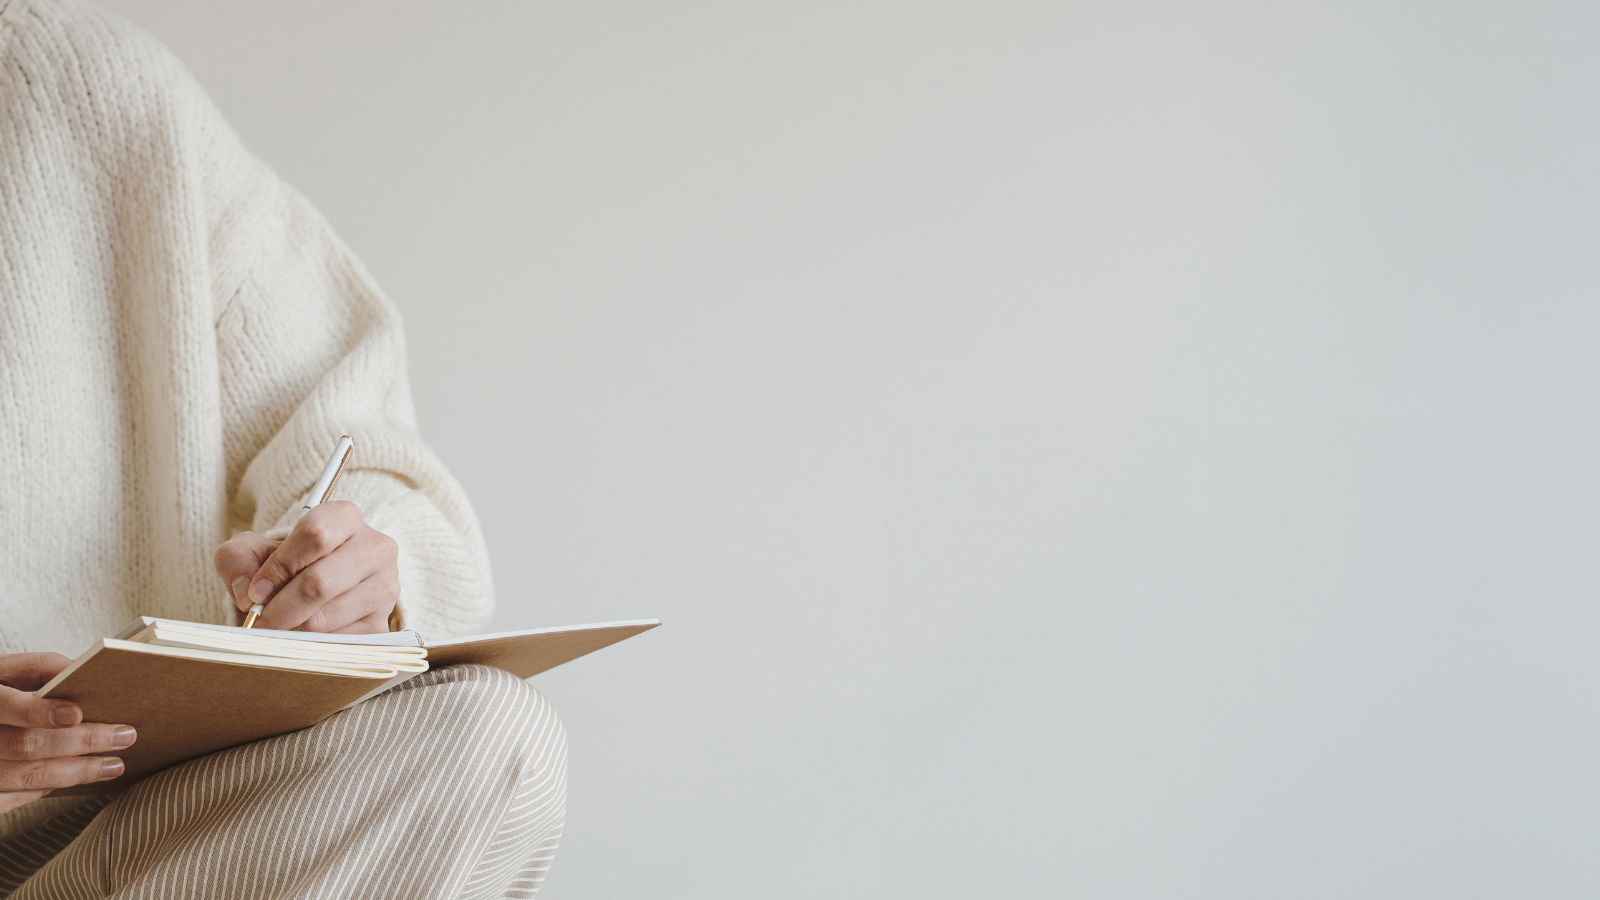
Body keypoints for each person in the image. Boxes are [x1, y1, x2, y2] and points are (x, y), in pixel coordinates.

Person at [0, 0, 566, 896]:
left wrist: (355, 570)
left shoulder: (90, 95)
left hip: (152, 825)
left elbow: (356, 441)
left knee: (492, 737)